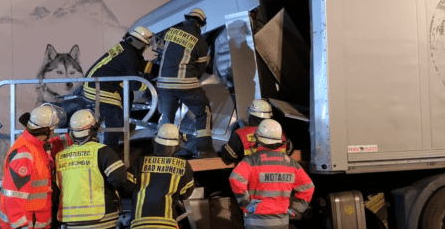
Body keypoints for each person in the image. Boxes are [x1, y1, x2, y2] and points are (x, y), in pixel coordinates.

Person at [156, 8, 215, 158]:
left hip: (163, 83)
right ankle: (205, 149)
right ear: (201, 24)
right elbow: (200, 72)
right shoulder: (201, 42)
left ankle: (162, 150)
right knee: (203, 111)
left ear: (186, 19)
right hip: (186, 84)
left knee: (167, 116)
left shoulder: (170, 32)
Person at [82, 26, 154, 147]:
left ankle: (122, 128)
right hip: (97, 87)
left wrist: (153, 68)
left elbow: (141, 64)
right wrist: (150, 86)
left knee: (127, 95)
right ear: (142, 44)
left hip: (95, 82)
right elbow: (134, 84)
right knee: (113, 119)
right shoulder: (130, 56)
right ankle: (111, 150)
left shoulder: (127, 48)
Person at [220, 99, 293, 165]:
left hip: (251, 176)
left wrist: (223, 147)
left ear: (251, 115)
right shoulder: (280, 133)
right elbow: (290, 151)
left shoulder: (240, 134)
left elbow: (228, 157)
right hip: (278, 176)